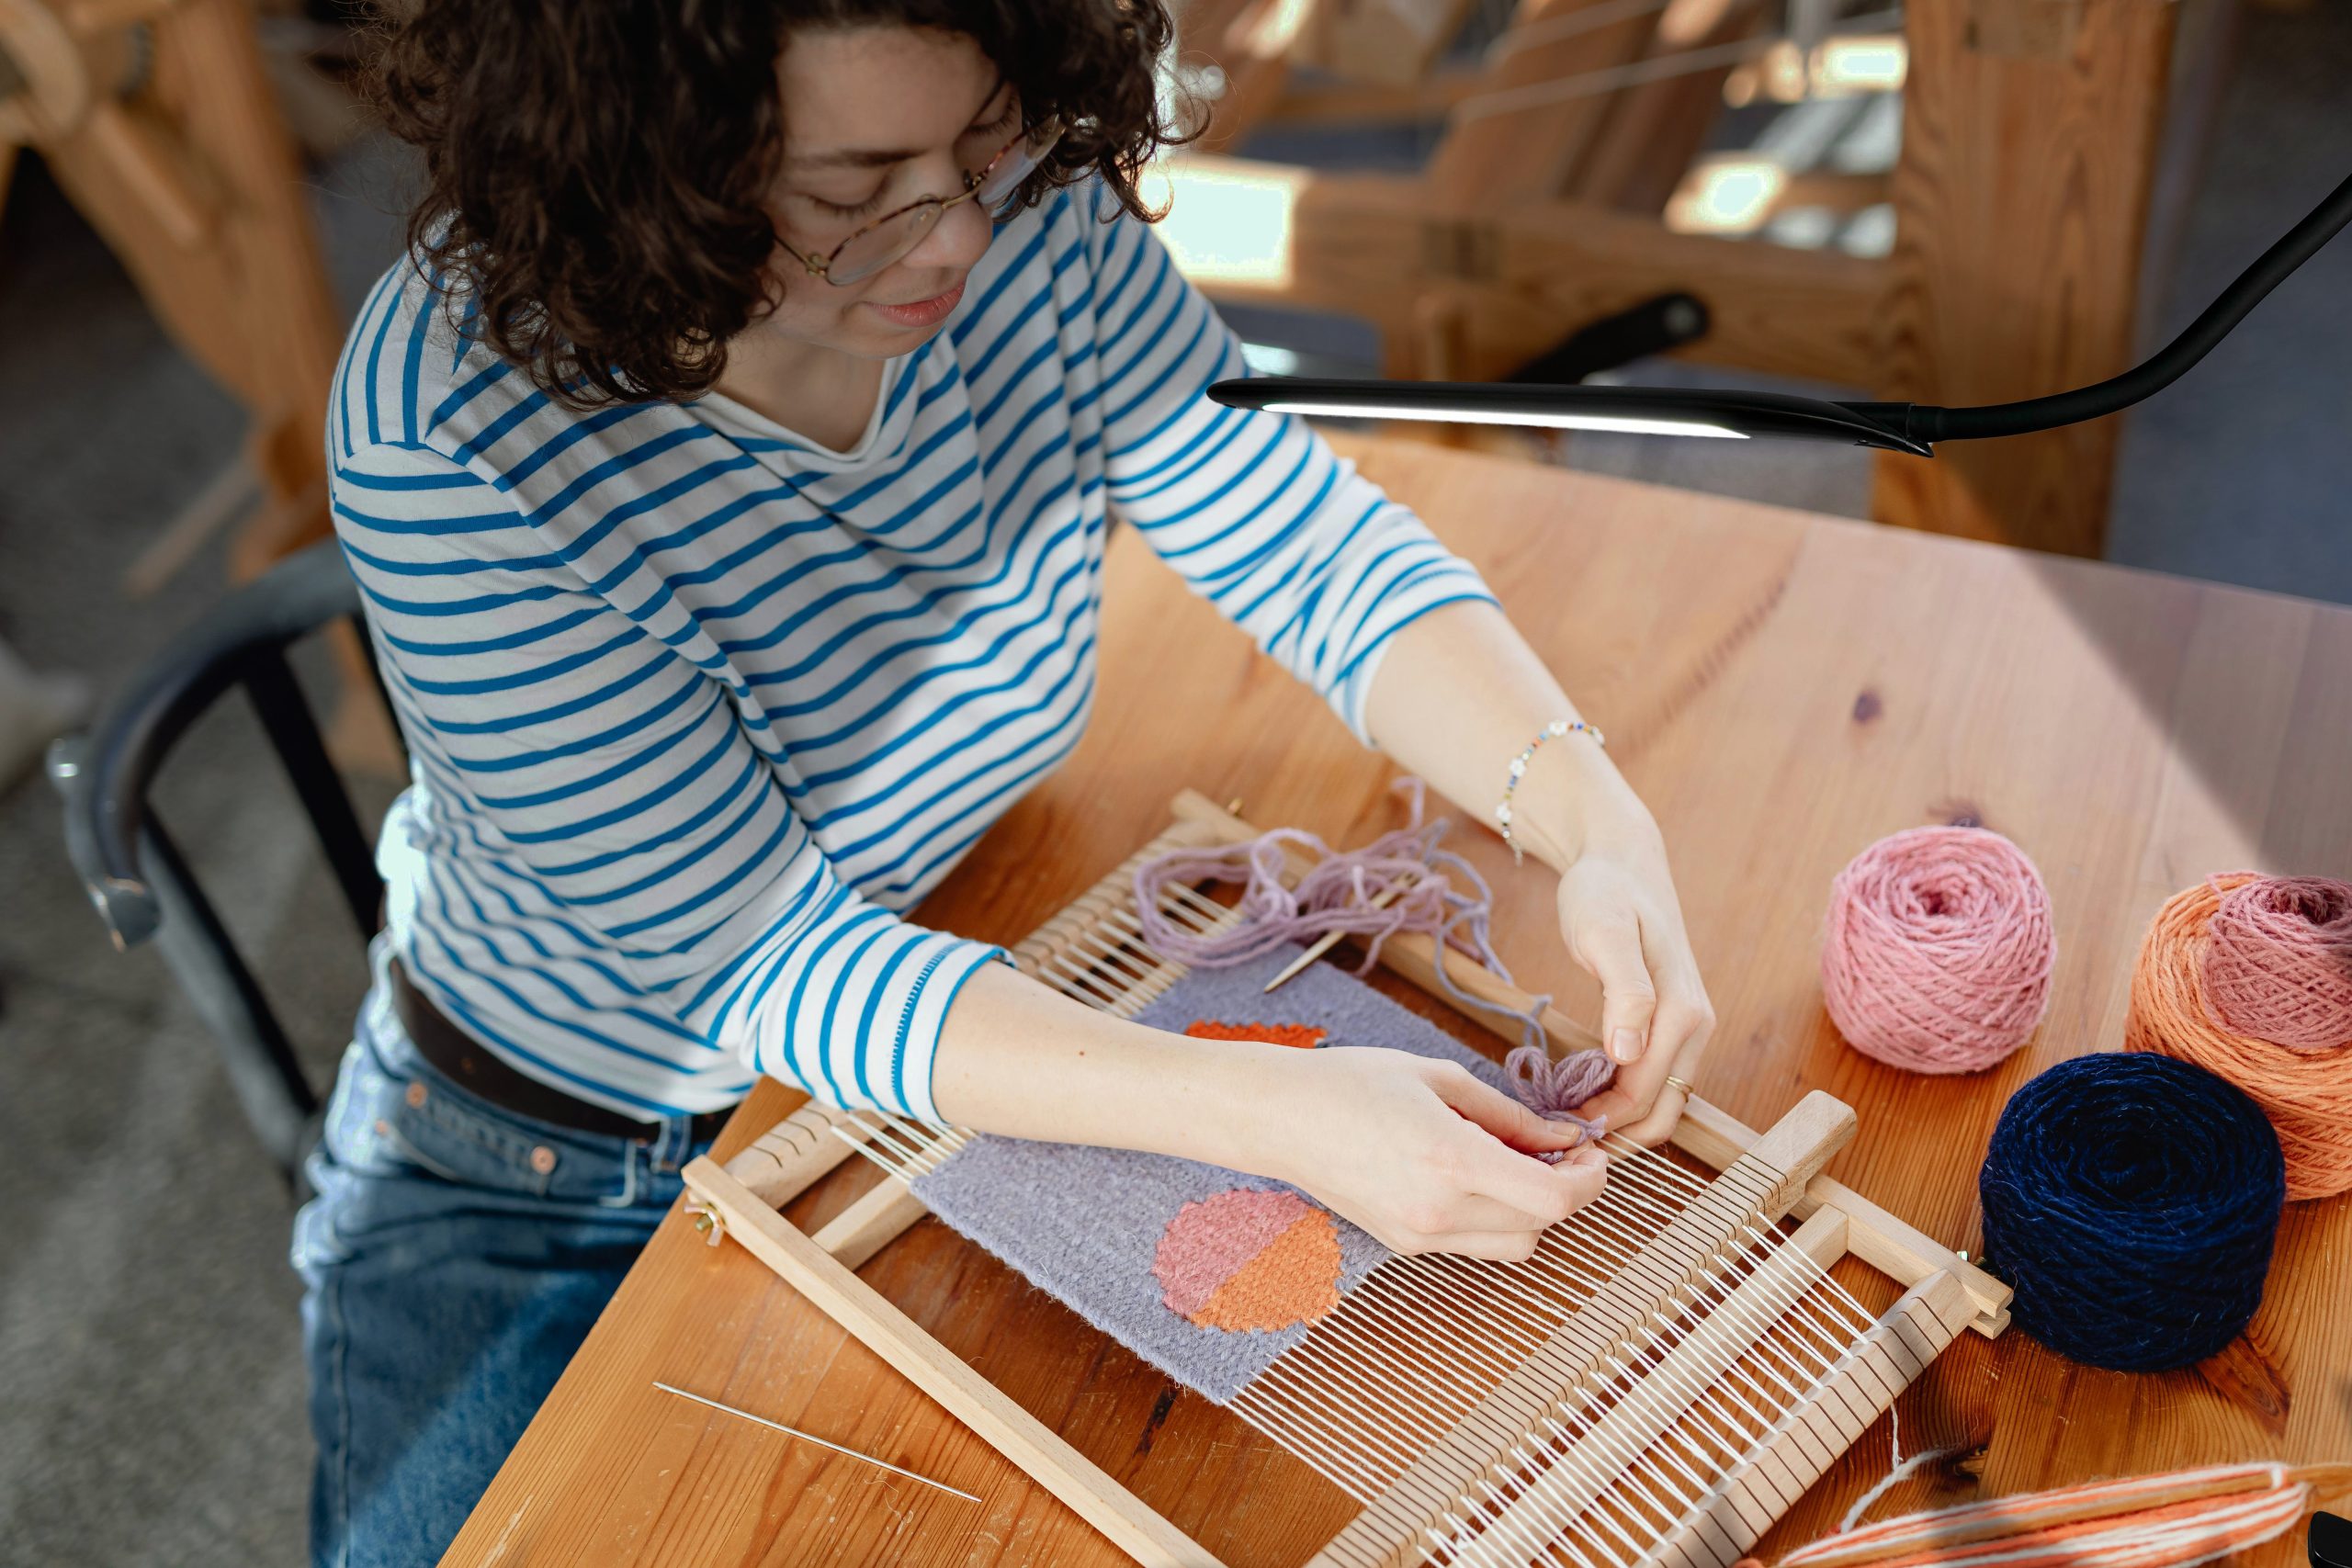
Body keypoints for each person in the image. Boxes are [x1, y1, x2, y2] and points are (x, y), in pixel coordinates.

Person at [300, 3, 1717, 1563]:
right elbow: (764, 960)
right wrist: (1271, 1112)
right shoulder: (454, 437)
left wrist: (1588, 813)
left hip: (972, 971)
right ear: (647, 164)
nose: (964, 234)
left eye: (988, 145)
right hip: (553, 1157)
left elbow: (1292, 529)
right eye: (855, 193)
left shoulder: (1029, 208)